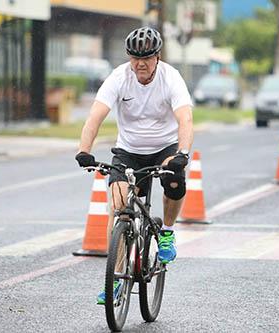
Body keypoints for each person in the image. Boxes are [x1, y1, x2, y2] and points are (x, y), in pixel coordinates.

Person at [75, 26, 193, 305]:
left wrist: (183, 153)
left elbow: (185, 119)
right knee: (118, 209)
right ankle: (115, 279)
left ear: (157, 56)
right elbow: (95, 115)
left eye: (147, 58)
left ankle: (166, 233)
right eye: (135, 58)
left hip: (164, 148)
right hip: (128, 150)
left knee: (175, 180)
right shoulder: (119, 77)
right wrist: (84, 150)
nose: (140, 64)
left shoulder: (170, 78)